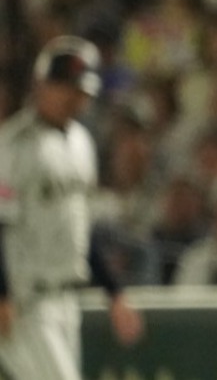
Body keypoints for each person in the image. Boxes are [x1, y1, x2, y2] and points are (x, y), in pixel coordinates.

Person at [0, 35, 144, 379]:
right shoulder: (13, 146)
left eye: (79, 90)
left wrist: (114, 293)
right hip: (26, 301)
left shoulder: (81, 143)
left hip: (68, 299)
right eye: (63, 86)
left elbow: (83, 227)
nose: (72, 98)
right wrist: (1, 294)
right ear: (40, 85)